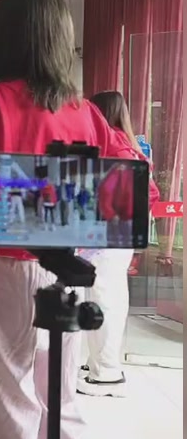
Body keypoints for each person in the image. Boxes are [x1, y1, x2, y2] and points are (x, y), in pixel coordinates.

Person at [0, 0, 159, 439]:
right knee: (59, 401)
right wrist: (77, 225)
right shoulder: (84, 111)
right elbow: (136, 176)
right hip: (63, 271)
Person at [76, 91, 148, 397]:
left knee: (104, 299)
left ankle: (106, 373)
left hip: (108, 234)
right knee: (105, 296)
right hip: (116, 234)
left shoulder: (112, 145)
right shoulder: (126, 144)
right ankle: (100, 363)